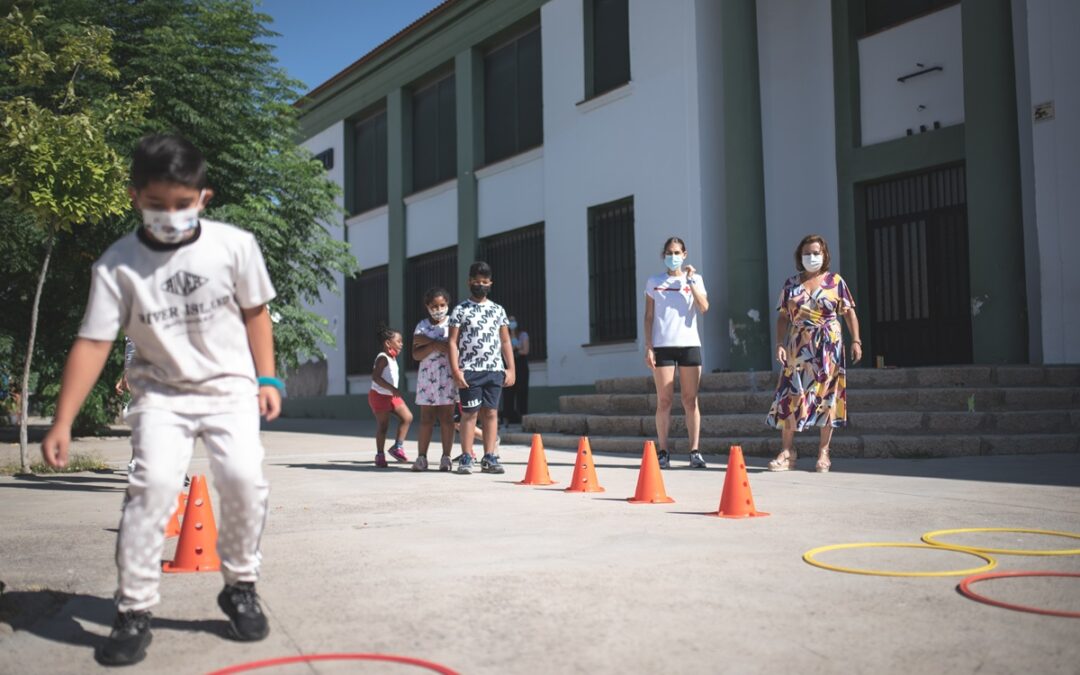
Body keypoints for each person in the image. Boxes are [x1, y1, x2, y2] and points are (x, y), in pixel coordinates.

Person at [40, 134, 282, 666]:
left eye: (181, 204)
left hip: (229, 388)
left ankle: (240, 583)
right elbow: (94, 341)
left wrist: (269, 380)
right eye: (156, 205)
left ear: (203, 197)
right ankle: (133, 610)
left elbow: (255, 313)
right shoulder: (117, 265)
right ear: (135, 197)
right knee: (150, 489)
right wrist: (62, 419)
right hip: (161, 394)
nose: (169, 215)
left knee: (243, 478)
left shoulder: (234, 247)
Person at [766, 234, 862, 473]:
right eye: (807, 253)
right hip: (798, 345)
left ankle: (824, 452)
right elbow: (782, 317)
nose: (812, 257)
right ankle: (788, 451)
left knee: (828, 395)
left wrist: (856, 340)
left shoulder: (835, 282)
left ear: (824, 254)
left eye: (816, 252)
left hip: (829, 344)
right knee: (792, 394)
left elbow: (849, 313)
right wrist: (779, 343)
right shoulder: (791, 284)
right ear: (800, 256)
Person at [644, 236, 709, 469]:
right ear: (664, 255)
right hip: (663, 347)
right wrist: (649, 347)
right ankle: (663, 451)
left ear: (685, 254)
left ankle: (694, 451)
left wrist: (690, 281)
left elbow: (704, 307)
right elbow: (649, 317)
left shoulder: (695, 279)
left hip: (689, 345)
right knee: (664, 400)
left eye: (677, 252)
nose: (673, 257)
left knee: (690, 400)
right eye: (669, 253)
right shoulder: (654, 282)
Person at [448, 261, 515, 475]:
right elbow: (452, 342)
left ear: (490, 283)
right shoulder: (460, 310)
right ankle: (467, 456)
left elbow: (505, 342)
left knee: (491, 413)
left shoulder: (498, 310)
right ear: (469, 282)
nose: (480, 285)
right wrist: (456, 371)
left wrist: (511, 368)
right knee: (469, 414)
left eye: (484, 282)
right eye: (476, 281)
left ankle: (490, 456)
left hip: (494, 370)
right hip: (469, 371)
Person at [411, 288, 456, 472]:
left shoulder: (453, 323)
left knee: (447, 418)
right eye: (434, 306)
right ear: (427, 306)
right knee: (426, 418)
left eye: (442, 305)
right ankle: (422, 457)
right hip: (427, 380)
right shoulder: (421, 326)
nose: (438, 309)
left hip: (448, 378)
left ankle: (446, 457)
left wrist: (434, 344)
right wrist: (434, 344)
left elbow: (454, 347)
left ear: (448, 304)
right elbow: (416, 353)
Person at [369, 324, 412, 467]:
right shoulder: (383, 358)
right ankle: (380, 455)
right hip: (379, 395)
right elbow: (375, 377)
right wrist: (392, 388)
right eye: (399, 341)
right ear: (388, 343)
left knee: (407, 417)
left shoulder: (392, 359)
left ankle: (397, 447)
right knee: (383, 426)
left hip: (391, 395)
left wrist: (392, 390)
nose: (401, 344)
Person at [500, 314, 530, 425]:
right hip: (507, 365)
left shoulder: (523, 335)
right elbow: (503, 350)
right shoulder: (504, 335)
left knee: (522, 391)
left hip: (521, 365)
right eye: (509, 321)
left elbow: (525, 351)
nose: (511, 323)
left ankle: (522, 417)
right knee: (508, 392)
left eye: (513, 320)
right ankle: (507, 418)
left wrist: (515, 348)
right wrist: (516, 348)